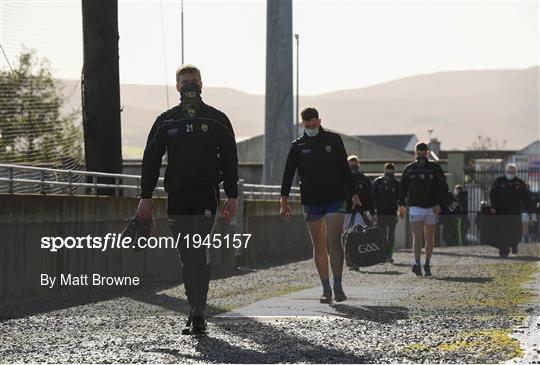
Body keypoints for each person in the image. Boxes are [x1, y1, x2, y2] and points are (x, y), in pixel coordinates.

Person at [137, 65, 238, 335]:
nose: (189, 85)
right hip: (177, 197)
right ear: (177, 87)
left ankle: (197, 313)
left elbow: (230, 160)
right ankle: (195, 306)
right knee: (186, 255)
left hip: (206, 195)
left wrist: (233, 197)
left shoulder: (217, 119)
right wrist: (145, 197)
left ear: (202, 84)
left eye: (193, 80)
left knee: (198, 251)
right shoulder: (166, 121)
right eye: (185, 82)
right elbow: (150, 160)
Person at [280, 107, 361, 304]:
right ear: (302, 125)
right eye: (307, 126)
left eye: (313, 125)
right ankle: (326, 289)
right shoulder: (298, 146)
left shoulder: (334, 140)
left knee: (334, 241)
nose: (310, 128)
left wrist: (354, 194)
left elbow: (344, 169)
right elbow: (288, 174)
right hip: (311, 201)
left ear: (319, 121)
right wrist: (284, 202)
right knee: (319, 245)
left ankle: (338, 286)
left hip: (335, 198)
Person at [399, 142, 448, 277]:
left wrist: (439, 204)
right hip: (415, 207)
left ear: (427, 153)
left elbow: (443, 188)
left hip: (431, 208)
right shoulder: (409, 168)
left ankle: (427, 264)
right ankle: (417, 263)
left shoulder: (435, 168)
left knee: (429, 237)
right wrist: (401, 204)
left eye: (423, 154)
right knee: (417, 236)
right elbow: (402, 188)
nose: (421, 156)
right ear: (415, 153)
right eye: (419, 154)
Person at [489, 164, 533, 257]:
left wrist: (529, 209)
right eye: (509, 172)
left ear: (515, 173)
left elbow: (526, 197)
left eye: (512, 172)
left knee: (515, 230)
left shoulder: (519, 183)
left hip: (515, 212)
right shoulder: (499, 181)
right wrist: (493, 206)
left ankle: (514, 245)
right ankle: (503, 250)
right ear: (505, 172)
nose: (510, 174)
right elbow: (492, 194)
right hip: (501, 211)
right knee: (502, 231)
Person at [372, 162, 400, 262]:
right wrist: (373, 212)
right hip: (380, 213)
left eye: (391, 170)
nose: (389, 172)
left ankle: (389, 254)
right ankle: (383, 254)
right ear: (384, 170)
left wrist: (401, 209)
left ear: (394, 171)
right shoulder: (378, 182)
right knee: (381, 234)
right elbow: (372, 198)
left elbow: (400, 198)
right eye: (387, 170)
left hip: (392, 213)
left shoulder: (397, 184)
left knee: (391, 234)